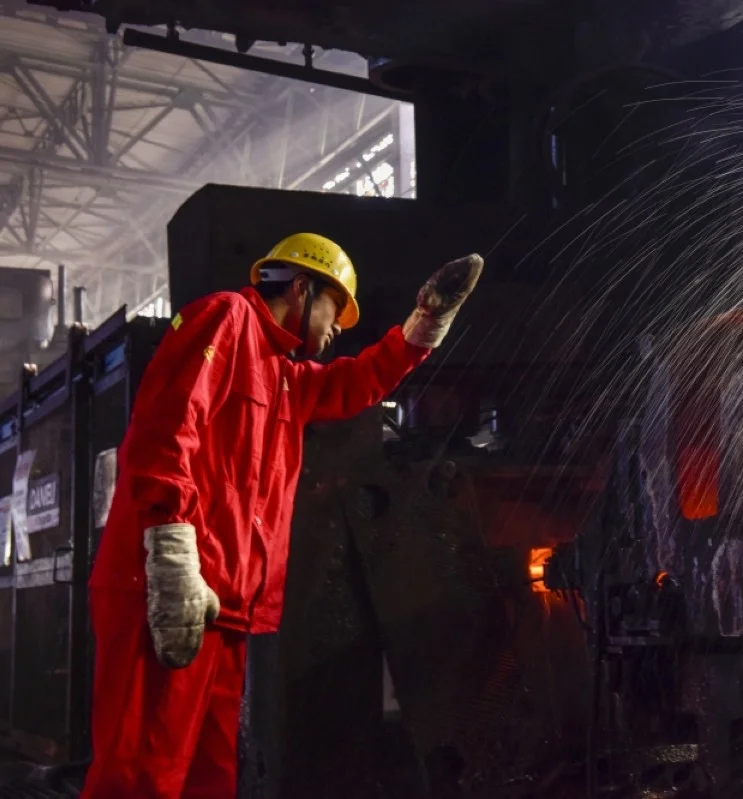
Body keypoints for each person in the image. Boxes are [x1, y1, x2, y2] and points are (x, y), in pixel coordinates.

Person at [81, 233, 484, 799]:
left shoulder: (284, 377)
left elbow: (358, 381)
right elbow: (165, 428)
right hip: (165, 590)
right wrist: (171, 554)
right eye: (333, 308)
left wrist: (424, 324)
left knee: (208, 778)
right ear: (300, 288)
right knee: (142, 776)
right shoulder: (225, 318)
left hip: (224, 606)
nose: (338, 326)